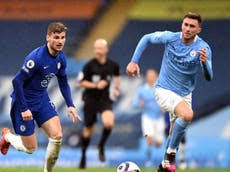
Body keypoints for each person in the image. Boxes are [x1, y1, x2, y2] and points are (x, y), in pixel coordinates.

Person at [126, 12, 213, 172]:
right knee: (187, 115)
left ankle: (163, 166)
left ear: (198, 30)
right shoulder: (170, 37)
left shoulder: (203, 48)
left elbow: (209, 76)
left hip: (185, 94)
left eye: (192, 26)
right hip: (164, 89)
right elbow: (146, 38)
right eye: (185, 24)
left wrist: (204, 63)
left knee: (174, 133)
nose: (187, 28)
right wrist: (133, 61)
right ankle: (170, 155)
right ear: (182, 24)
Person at [0, 22, 81, 172]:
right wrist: (24, 108)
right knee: (30, 148)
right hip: (23, 102)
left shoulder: (61, 58)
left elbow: (63, 81)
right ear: (48, 38)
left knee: (57, 135)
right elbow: (17, 81)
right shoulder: (36, 58)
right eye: (56, 37)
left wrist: (70, 105)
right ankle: (7, 137)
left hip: (41, 99)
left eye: (63, 37)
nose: (60, 41)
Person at [77, 39, 120, 169]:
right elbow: (80, 83)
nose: (97, 51)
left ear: (106, 49)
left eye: (100, 48)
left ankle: (101, 145)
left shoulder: (113, 65)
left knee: (109, 123)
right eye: (96, 48)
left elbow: (117, 77)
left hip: (105, 100)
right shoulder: (89, 65)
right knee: (88, 130)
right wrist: (96, 85)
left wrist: (116, 89)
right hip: (90, 100)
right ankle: (83, 156)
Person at [132, 69, 165, 167]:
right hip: (147, 118)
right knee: (149, 137)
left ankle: (154, 139)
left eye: (152, 75)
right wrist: (139, 103)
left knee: (159, 143)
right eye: (148, 75)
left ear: (156, 77)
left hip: (159, 118)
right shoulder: (142, 90)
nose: (150, 77)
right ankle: (148, 161)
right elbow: (134, 104)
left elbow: (167, 101)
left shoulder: (160, 89)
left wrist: (165, 107)